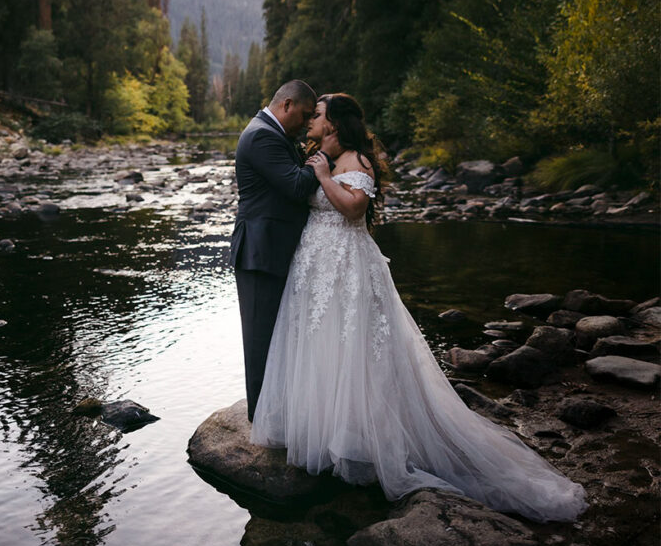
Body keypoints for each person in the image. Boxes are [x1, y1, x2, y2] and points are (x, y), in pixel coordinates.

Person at [249, 93, 587, 523]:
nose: (311, 120)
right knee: (321, 343)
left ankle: (363, 441)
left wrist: (322, 176)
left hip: (346, 265)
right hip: (315, 264)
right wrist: (315, 168)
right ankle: (324, 434)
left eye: (316, 115)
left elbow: (354, 210)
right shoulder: (322, 153)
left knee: (353, 348)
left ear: (333, 122)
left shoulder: (358, 160)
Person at [231, 80, 321, 423]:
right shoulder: (262, 136)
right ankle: (261, 420)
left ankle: (278, 411)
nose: (307, 122)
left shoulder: (274, 133)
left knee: (278, 335)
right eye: (304, 114)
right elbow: (297, 186)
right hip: (259, 251)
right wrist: (324, 157)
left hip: (273, 249)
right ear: (286, 105)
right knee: (259, 338)